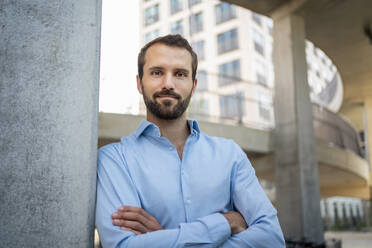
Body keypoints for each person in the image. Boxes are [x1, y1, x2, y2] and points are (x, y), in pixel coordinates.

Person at [95, 34, 285, 247]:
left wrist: (165, 238)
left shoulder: (230, 155)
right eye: (157, 72)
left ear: (193, 85)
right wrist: (226, 222)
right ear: (140, 83)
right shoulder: (114, 159)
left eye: (180, 74)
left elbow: (272, 239)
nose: (168, 84)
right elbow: (123, 246)